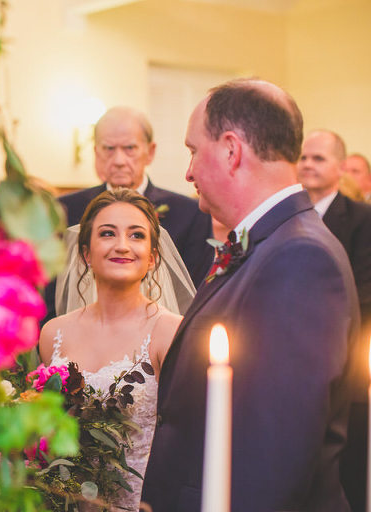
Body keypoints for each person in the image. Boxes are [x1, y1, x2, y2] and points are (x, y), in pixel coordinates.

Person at [141, 79, 360, 512]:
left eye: (192, 150)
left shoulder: (299, 259)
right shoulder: (269, 243)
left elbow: (274, 454)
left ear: (230, 150)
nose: (187, 172)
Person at [39, 188, 183, 511]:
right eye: (107, 234)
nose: (122, 245)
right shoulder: (52, 334)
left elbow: (182, 446)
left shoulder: (170, 332)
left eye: (136, 235)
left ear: (153, 256)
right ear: (87, 254)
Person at [58, 107, 214, 288]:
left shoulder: (190, 214)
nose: (118, 160)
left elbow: (194, 290)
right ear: (96, 152)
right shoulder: (66, 209)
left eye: (129, 148)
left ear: (150, 152)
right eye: (108, 148)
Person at [297, 130, 371, 512]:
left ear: (341, 168)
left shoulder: (361, 218)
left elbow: (363, 290)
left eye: (319, 158)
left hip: (347, 357)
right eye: (304, 157)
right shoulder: (291, 217)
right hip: (297, 361)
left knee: (347, 468)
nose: (308, 164)